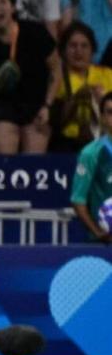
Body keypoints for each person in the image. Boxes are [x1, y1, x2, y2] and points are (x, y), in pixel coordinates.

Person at [0, 0, 60, 155]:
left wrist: (47, 105)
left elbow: (56, 69)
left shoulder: (36, 32)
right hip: (2, 106)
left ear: (12, 7)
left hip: (37, 104)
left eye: (3, 2)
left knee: (33, 166)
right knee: (6, 164)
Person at [50, 22, 112, 153]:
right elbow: (54, 121)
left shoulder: (107, 74)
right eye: (73, 46)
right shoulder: (57, 78)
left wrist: (103, 101)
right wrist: (76, 99)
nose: (78, 51)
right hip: (68, 143)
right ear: (64, 50)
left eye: (84, 46)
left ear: (92, 50)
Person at [70, 92, 112, 243]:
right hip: (104, 247)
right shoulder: (91, 153)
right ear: (102, 118)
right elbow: (78, 199)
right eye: (110, 112)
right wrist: (98, 232)